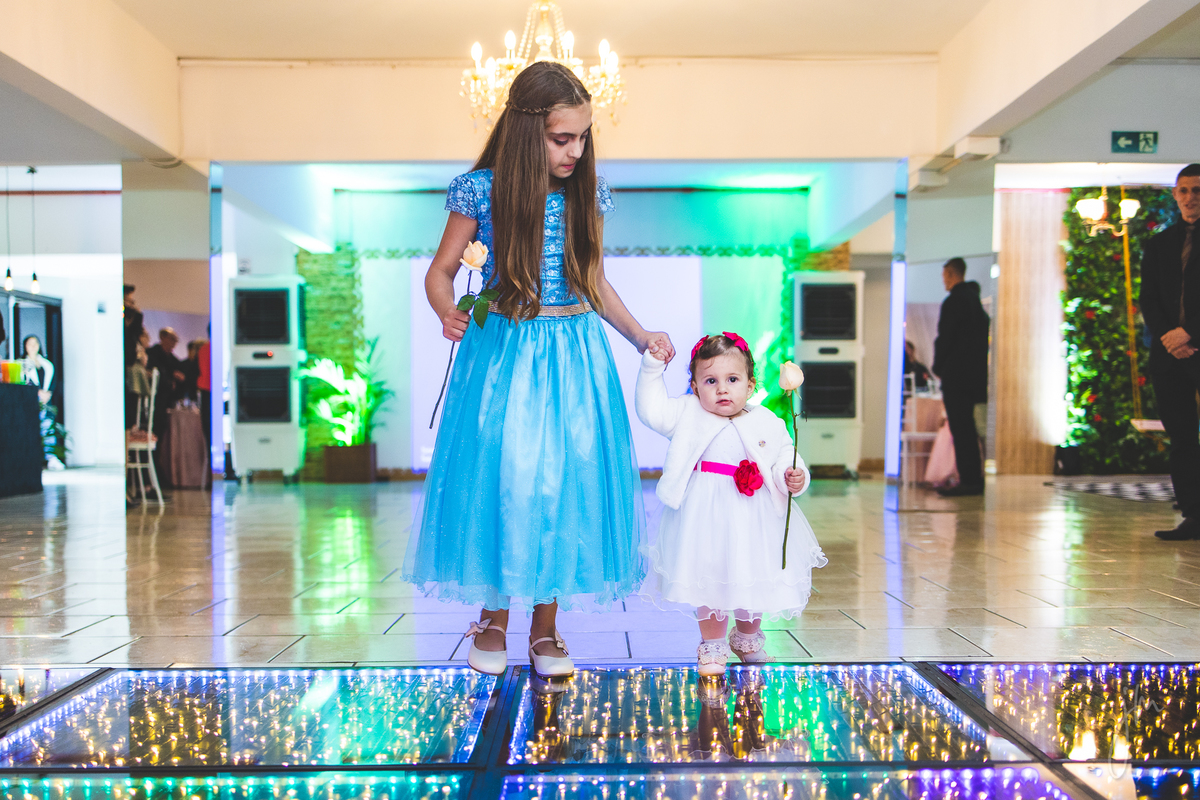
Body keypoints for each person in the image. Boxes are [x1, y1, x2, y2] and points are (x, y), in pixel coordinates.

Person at [402, 61, 675, 678]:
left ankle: (545, 630)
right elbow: (440, 272)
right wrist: (447, 312)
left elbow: (593, 279)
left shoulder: (586, 193)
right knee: (505, 479)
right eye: (561, 139)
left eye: (582, 137)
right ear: (528, 133)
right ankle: (493, 621)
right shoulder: (480, 190)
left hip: (574, 353)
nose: (575, 151)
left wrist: (640, 336)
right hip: (503, 349)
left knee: (563, 484)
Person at [634, 333, 826, 675]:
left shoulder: (767, 420)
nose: (722, 389)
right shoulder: (687, 412)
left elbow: (785, 454)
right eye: (711, 381)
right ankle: (713, 645)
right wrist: (652, 367)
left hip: (754, 516)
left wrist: (793, 474)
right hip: (704, 516)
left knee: (753, 573)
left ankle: (748, 639)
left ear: (750, 386)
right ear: (695, 387)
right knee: (710, 577)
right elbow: (651, 410)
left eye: (732, 380)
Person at [1141, 163, 1200, 540]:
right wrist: (1169, 336)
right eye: (1184, 190)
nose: (1190, 197)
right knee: (1182, 437)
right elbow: (1148, 298)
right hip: (1169, 355)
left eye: (1197, 190)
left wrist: (1189, 333)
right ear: (1175, 195)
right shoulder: (1159, 243)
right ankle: (1193, 516)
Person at [931, 257, 990, 497]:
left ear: (952, 274)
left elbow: (945, 338)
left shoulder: (954, 302)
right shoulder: (976, 304)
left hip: (956, 377)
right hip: (975, 378)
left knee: (961, 429)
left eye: (944, 276)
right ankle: (974, 477)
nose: (943, 281)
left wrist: (939, 367)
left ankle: (969, 480)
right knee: (970, 429)